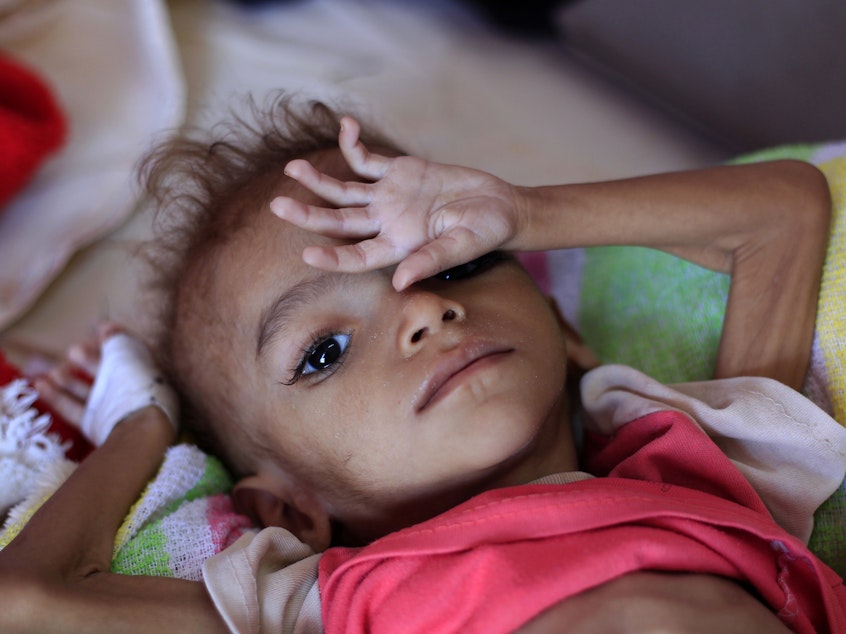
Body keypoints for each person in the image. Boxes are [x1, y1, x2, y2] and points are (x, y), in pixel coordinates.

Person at [0, 92, 843, 633]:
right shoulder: (333, 603)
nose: (425, 310)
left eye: (458, 264)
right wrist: (139, 422)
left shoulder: (698, 472)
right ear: (291, 511)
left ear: (562, 326)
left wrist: (521, 213)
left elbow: (788, 209)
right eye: (324, 351)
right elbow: (26, 602)